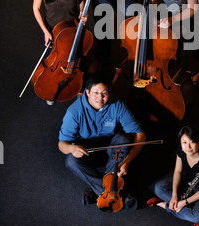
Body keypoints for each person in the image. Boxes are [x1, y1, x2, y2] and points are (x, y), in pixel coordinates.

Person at [58, 75, 146, 208]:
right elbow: (62, 144)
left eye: (104, 93)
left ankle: (98, 190)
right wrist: (71, 149)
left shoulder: (117, 104)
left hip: (112, 148)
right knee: (71, 161)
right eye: (96, 93)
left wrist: (127, 161)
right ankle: (116, 193)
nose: (100, 98)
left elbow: (140, 134)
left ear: (109, 93)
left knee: (123, 140)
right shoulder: (74, 112)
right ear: (87, 92)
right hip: (87, 150)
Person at [147, 125, 199, 226]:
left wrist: (183, 202)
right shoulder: (181, 151)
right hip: (188, 184)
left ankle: (164, 204)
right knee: (158, 187)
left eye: (192, 142)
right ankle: (179, 207)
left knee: (198, 216)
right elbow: (178, 171)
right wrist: (175, 195)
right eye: (184, 142)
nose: (188, 147)